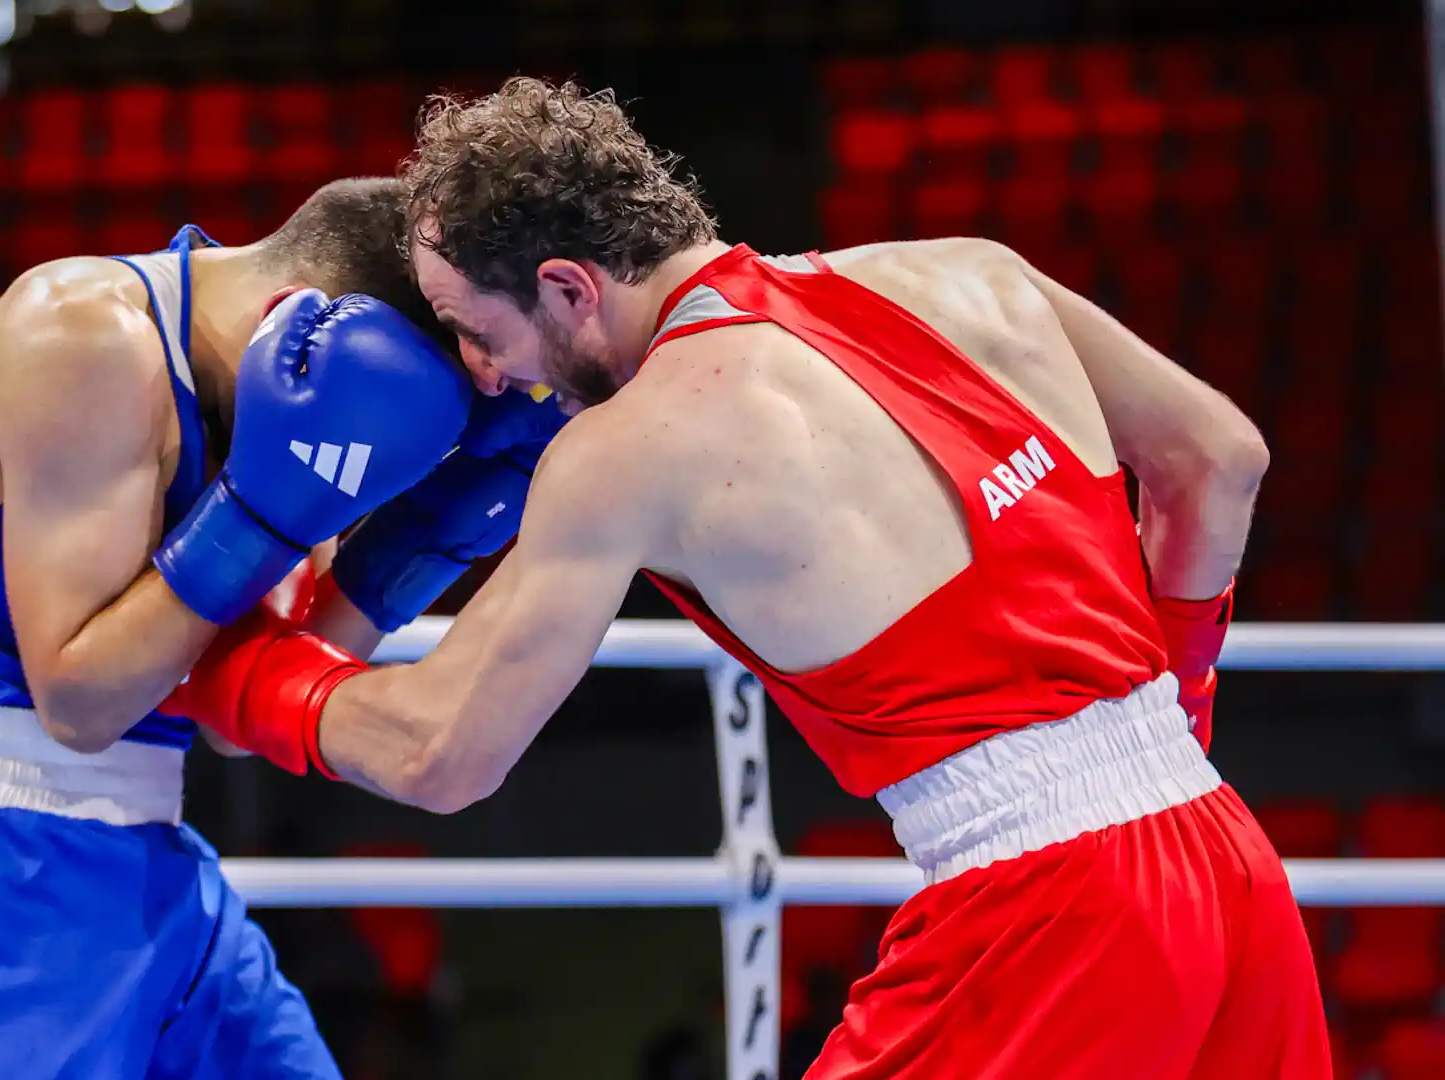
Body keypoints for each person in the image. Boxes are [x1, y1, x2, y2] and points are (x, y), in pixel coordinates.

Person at [163, 79, 1331, 1079]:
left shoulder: (627, 446)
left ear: (569, 288)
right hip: (1223, 859)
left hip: (1047, 915)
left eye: (478, 330)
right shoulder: (971, 272)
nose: (484, 374)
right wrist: (1168, 711)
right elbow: (1218, 458)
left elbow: (441, 750)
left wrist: (227, 671)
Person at [0, 177, 480, 1079]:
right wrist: (261, 514)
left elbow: (235, 722)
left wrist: (418, 545)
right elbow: (81, 705)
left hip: (153, 852)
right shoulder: (84, 339)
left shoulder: (278, 402)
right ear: (306, 322)